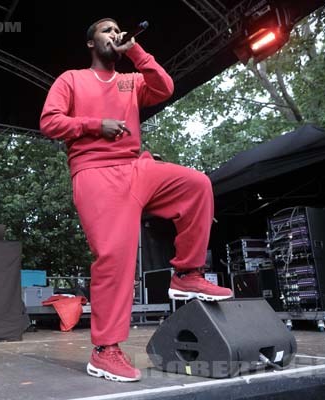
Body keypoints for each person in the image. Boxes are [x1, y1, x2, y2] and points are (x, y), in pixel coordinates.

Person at [39, 18, 232, 382]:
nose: (114, 34)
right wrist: (96, 124)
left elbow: (165, 87)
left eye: (117, 30)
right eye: (106, 31)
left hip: (135, 167)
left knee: (196, 185)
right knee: (115, 255)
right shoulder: (71, 79)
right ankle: (105, 351)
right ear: (91, 44)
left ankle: (187, 274)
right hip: (95, 172)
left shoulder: (130, 80)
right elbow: (50, 122)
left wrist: (137, 52)